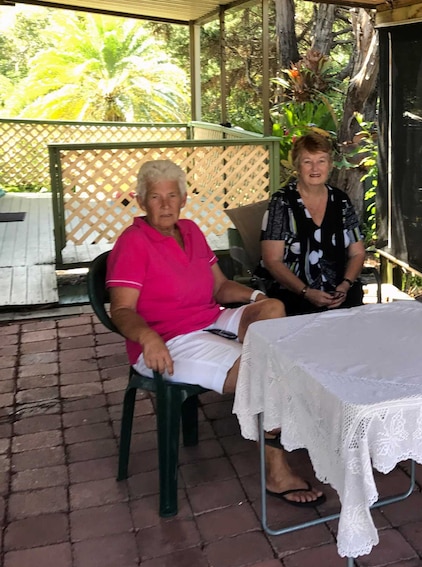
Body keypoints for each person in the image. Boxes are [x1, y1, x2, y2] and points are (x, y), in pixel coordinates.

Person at [107, 159, 325, 507]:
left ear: (183, 199)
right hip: (167, 341)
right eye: (155, 197)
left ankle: (277, 407)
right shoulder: (133, 243)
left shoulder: (190, 230)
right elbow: (121, 310)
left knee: (272, 311)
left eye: (172, 196)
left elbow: (221, 288)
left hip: (208, 319)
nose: (165, 205)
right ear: (141, 201)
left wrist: (257, 297)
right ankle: (277, 467)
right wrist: (147, 337)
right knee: (264, 368)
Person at [259, 132, 365, 314]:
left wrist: (345, 285)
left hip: (340, 294)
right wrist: (306, 292)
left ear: (330, 165)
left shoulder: (341, 201)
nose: (315, 168)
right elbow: (272, 261)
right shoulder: (282, 202)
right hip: (294, 296)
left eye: (321, 161)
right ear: (297, 166)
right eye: (307, 161)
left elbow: (358, 253)